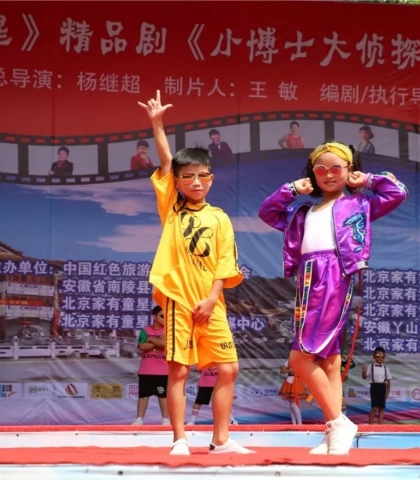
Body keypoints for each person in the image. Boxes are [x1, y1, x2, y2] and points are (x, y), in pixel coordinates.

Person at [258, 141, 408, 455]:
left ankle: (338, 422)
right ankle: (333, 432)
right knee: (329, 361)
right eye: (321, 169)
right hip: (308, 278)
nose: (328, 174)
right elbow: (268, 212)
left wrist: (367, 180)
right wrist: (291, 190)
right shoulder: (303, 212)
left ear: (349, 170)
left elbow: (397, 193)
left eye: (336, 168)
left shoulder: (359, 204)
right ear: (312, 174)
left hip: (333, 275)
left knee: (299, 358)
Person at [138, 90, 253, 456]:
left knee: (228, 369)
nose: (196, 182)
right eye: (188, 176)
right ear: (178, 181)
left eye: (202, 176)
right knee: (179, 371)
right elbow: (166, 161)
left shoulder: (219, 218)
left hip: (211, 304)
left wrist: (212, 299)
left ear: (211, 178)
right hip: (178, 302)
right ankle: (180, 440)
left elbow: (224, 263)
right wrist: (157, 124)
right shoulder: (172, 208)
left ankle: (221, 440)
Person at [132, 305, 170, 426]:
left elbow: (164, 344)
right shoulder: (145, 330)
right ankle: (139, 419)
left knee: (163, 395)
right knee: (143, 395)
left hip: (163, 370)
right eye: (162, 316)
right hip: (146, 370)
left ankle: (165, 419)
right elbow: (142, 346)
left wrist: (150, 339)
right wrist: (157, 341)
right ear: (154, 316)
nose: (165, 318)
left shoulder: (168, 330)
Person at [361, 347, 391, 425]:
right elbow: (364, 377)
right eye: (377, 356)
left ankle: (380, 426)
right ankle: (370, 426)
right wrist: (363, 371)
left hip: (383, 387)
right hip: (374, 387)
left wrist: (388, 392)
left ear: (384, 357)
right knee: (374, 407)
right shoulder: (370, 366)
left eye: (382, 356)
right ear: (374, 356)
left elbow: (388, 381)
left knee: (381, 408)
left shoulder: (386, 368)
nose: (380, 358)